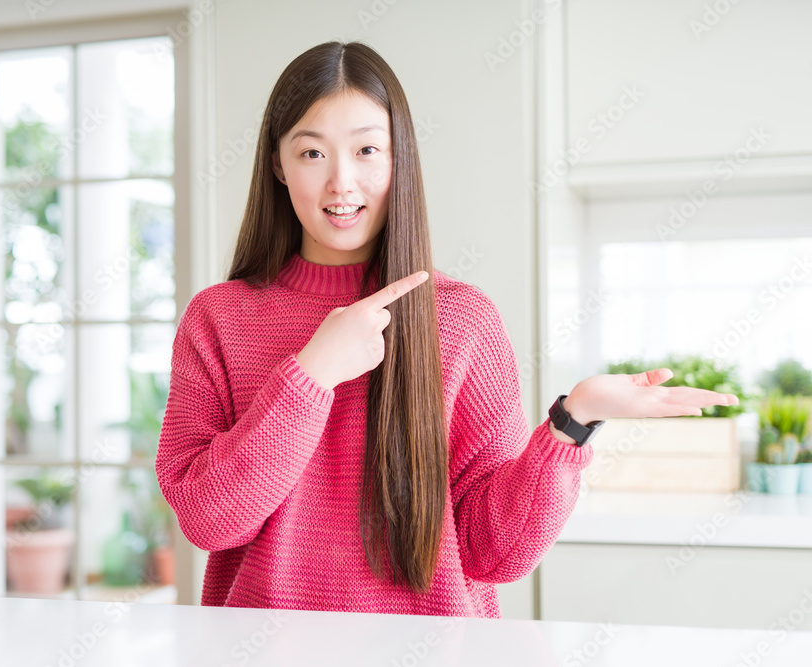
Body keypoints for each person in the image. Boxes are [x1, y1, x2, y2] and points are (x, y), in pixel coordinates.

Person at [154, 40, 739, 617]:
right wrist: (311, 375)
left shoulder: (462, 319)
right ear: (278, 164)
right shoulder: (219, 317)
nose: (341, 183)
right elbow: (210, 519)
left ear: (398, 158)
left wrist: (572, 422)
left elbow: (494, 555)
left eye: (366, 151)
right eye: (312, 154)